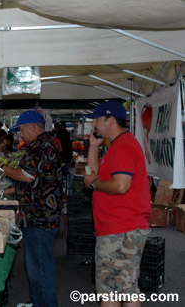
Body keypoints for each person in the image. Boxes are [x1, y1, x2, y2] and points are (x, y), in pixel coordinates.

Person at [83, 101, 151, 307]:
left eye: (96, 119)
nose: (93, 124)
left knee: (113, 291)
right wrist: (94, 147)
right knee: (121, 289)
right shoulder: (118, 145)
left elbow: (121, 185)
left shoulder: (123, 145)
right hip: (119, 228)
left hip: (120, 229)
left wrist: (94, 184)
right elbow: (95, 172)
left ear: (110, 120)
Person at [0, 110, 62, 307]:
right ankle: (38, 302)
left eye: (22, 129)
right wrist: (8, 191)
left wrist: (2, 168)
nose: (20, 134)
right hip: (39, 214)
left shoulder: (41, 147)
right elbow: (35, 182)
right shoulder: (43, 145)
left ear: (34, 127)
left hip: (39, 216)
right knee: (36, 267)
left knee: (40, 268)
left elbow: (27, 175)